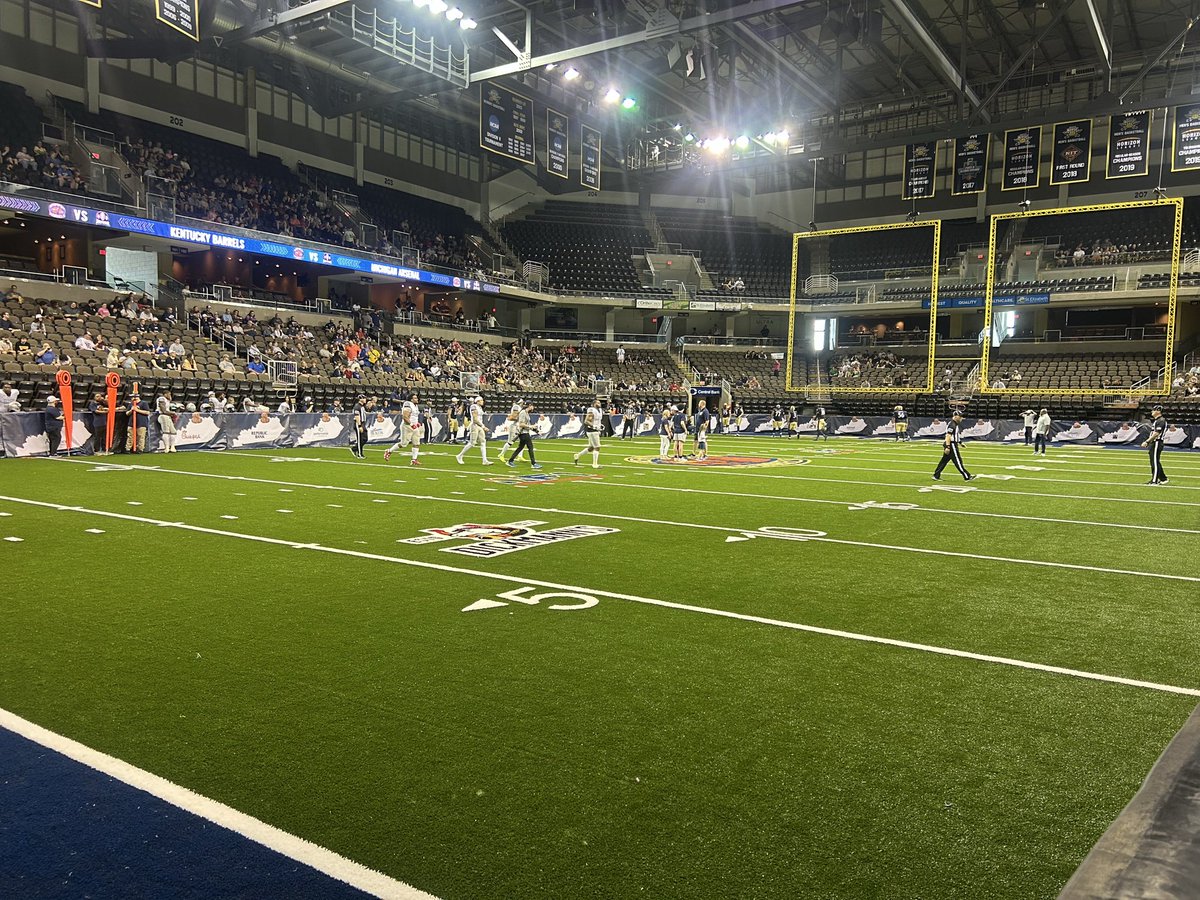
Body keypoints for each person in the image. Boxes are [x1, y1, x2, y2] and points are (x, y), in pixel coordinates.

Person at [932, 410, 976, 482]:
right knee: (958, 461)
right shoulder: (952, 424)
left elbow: (955, 435)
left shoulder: (955, 424)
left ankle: (936, 475)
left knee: (944, 461)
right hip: (951, 444)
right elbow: (948, 436)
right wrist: (948, 447)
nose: (961, 418)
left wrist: (960, 442)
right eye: (960, 417)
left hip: (952, 443)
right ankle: (967, 476)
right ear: (955, 416)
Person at [384, 393, 422, 465]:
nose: (417, 399)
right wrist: (411, 424)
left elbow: (414, 417)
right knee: (403, 444)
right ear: (411, 399)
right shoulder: (408, 404)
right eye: (415, 398)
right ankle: (389, 451)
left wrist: (416, 423)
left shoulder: (415, 406)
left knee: (416, 443)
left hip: (414, 426)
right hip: (407, 426)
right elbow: (405, 416)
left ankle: (414, 459)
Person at [506, 400, 541, 469]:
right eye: (532, 405)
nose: (533, 407)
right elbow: (521, 424)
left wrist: (536, 430)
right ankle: (533, 463)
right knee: (530, 447)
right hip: (523, 433)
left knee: (520, 447)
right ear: (529, 405)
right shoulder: (523, 413)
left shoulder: (526, 413)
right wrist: (531, 426)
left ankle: (510, 461)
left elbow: (527, 424)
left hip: (525, 432)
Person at [456, 396, 491, 465]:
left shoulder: (480, 408)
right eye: (481, 400)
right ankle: (459, 455)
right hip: (475, 426)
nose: (483, 401)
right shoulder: (473, 407)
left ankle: (485, 460)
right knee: (472, 443)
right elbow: (475, 419)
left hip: (480, 425)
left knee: (483, 442)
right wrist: (483, 426)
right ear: (477, 401)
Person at [573, 397, 603, 469]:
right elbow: (586, 421)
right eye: (597, 403)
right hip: (592, 430)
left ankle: (578, 455)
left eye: (599, 402)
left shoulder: (600, 410)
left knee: (591, 448)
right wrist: (594, 426)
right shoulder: (592, 410)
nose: (599, 404)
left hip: (596, 430)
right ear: (593, 404)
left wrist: (599, 426)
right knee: (597, 447)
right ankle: (594, 464)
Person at [1141, 405, 1169, 485]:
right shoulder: (1157, 420)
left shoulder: (1161, 420)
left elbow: (1156, 433)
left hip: (1157, 442)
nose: (1152, 412)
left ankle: (1154, 480)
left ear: (1158, 411)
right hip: (1155, 442)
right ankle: (1163, 478)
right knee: (1155, 461)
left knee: (1155, 462)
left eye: (1153, 410)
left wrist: (1147, 441)